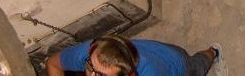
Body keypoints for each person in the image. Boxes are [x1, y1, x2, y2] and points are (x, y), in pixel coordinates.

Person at [43, 34, 224, 76]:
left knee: (198, 65)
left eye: (100, 75)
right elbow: (53, 64)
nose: (90, 75)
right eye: (91, 66)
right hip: (155, 48)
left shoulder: (152, 72)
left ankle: (213, 52)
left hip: (178, 64)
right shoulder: (92, 52)